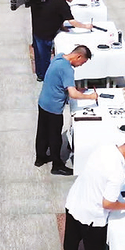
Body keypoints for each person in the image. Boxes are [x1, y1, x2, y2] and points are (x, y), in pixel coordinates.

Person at [36, 45, 96, 174]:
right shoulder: (67, 69)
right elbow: (73, 94)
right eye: (82, 62)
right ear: (78, 56)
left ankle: (40, 158)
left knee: (42, 132)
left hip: (43, 101)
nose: (80, 65)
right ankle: (57, 165)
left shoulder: (59, 57)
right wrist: (90, 96)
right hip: (54, 107)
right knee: (55, 137)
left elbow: (58, 81)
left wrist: (77, 89)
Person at [33, 0, 92, 81]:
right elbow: (72, 21)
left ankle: (39, 73)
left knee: (38, 55)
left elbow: (55, 14)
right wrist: (86, 26)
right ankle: (45, 77)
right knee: (44, 57)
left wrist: (62, 26)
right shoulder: (63, 5)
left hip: (38, 28)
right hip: (45, 33)